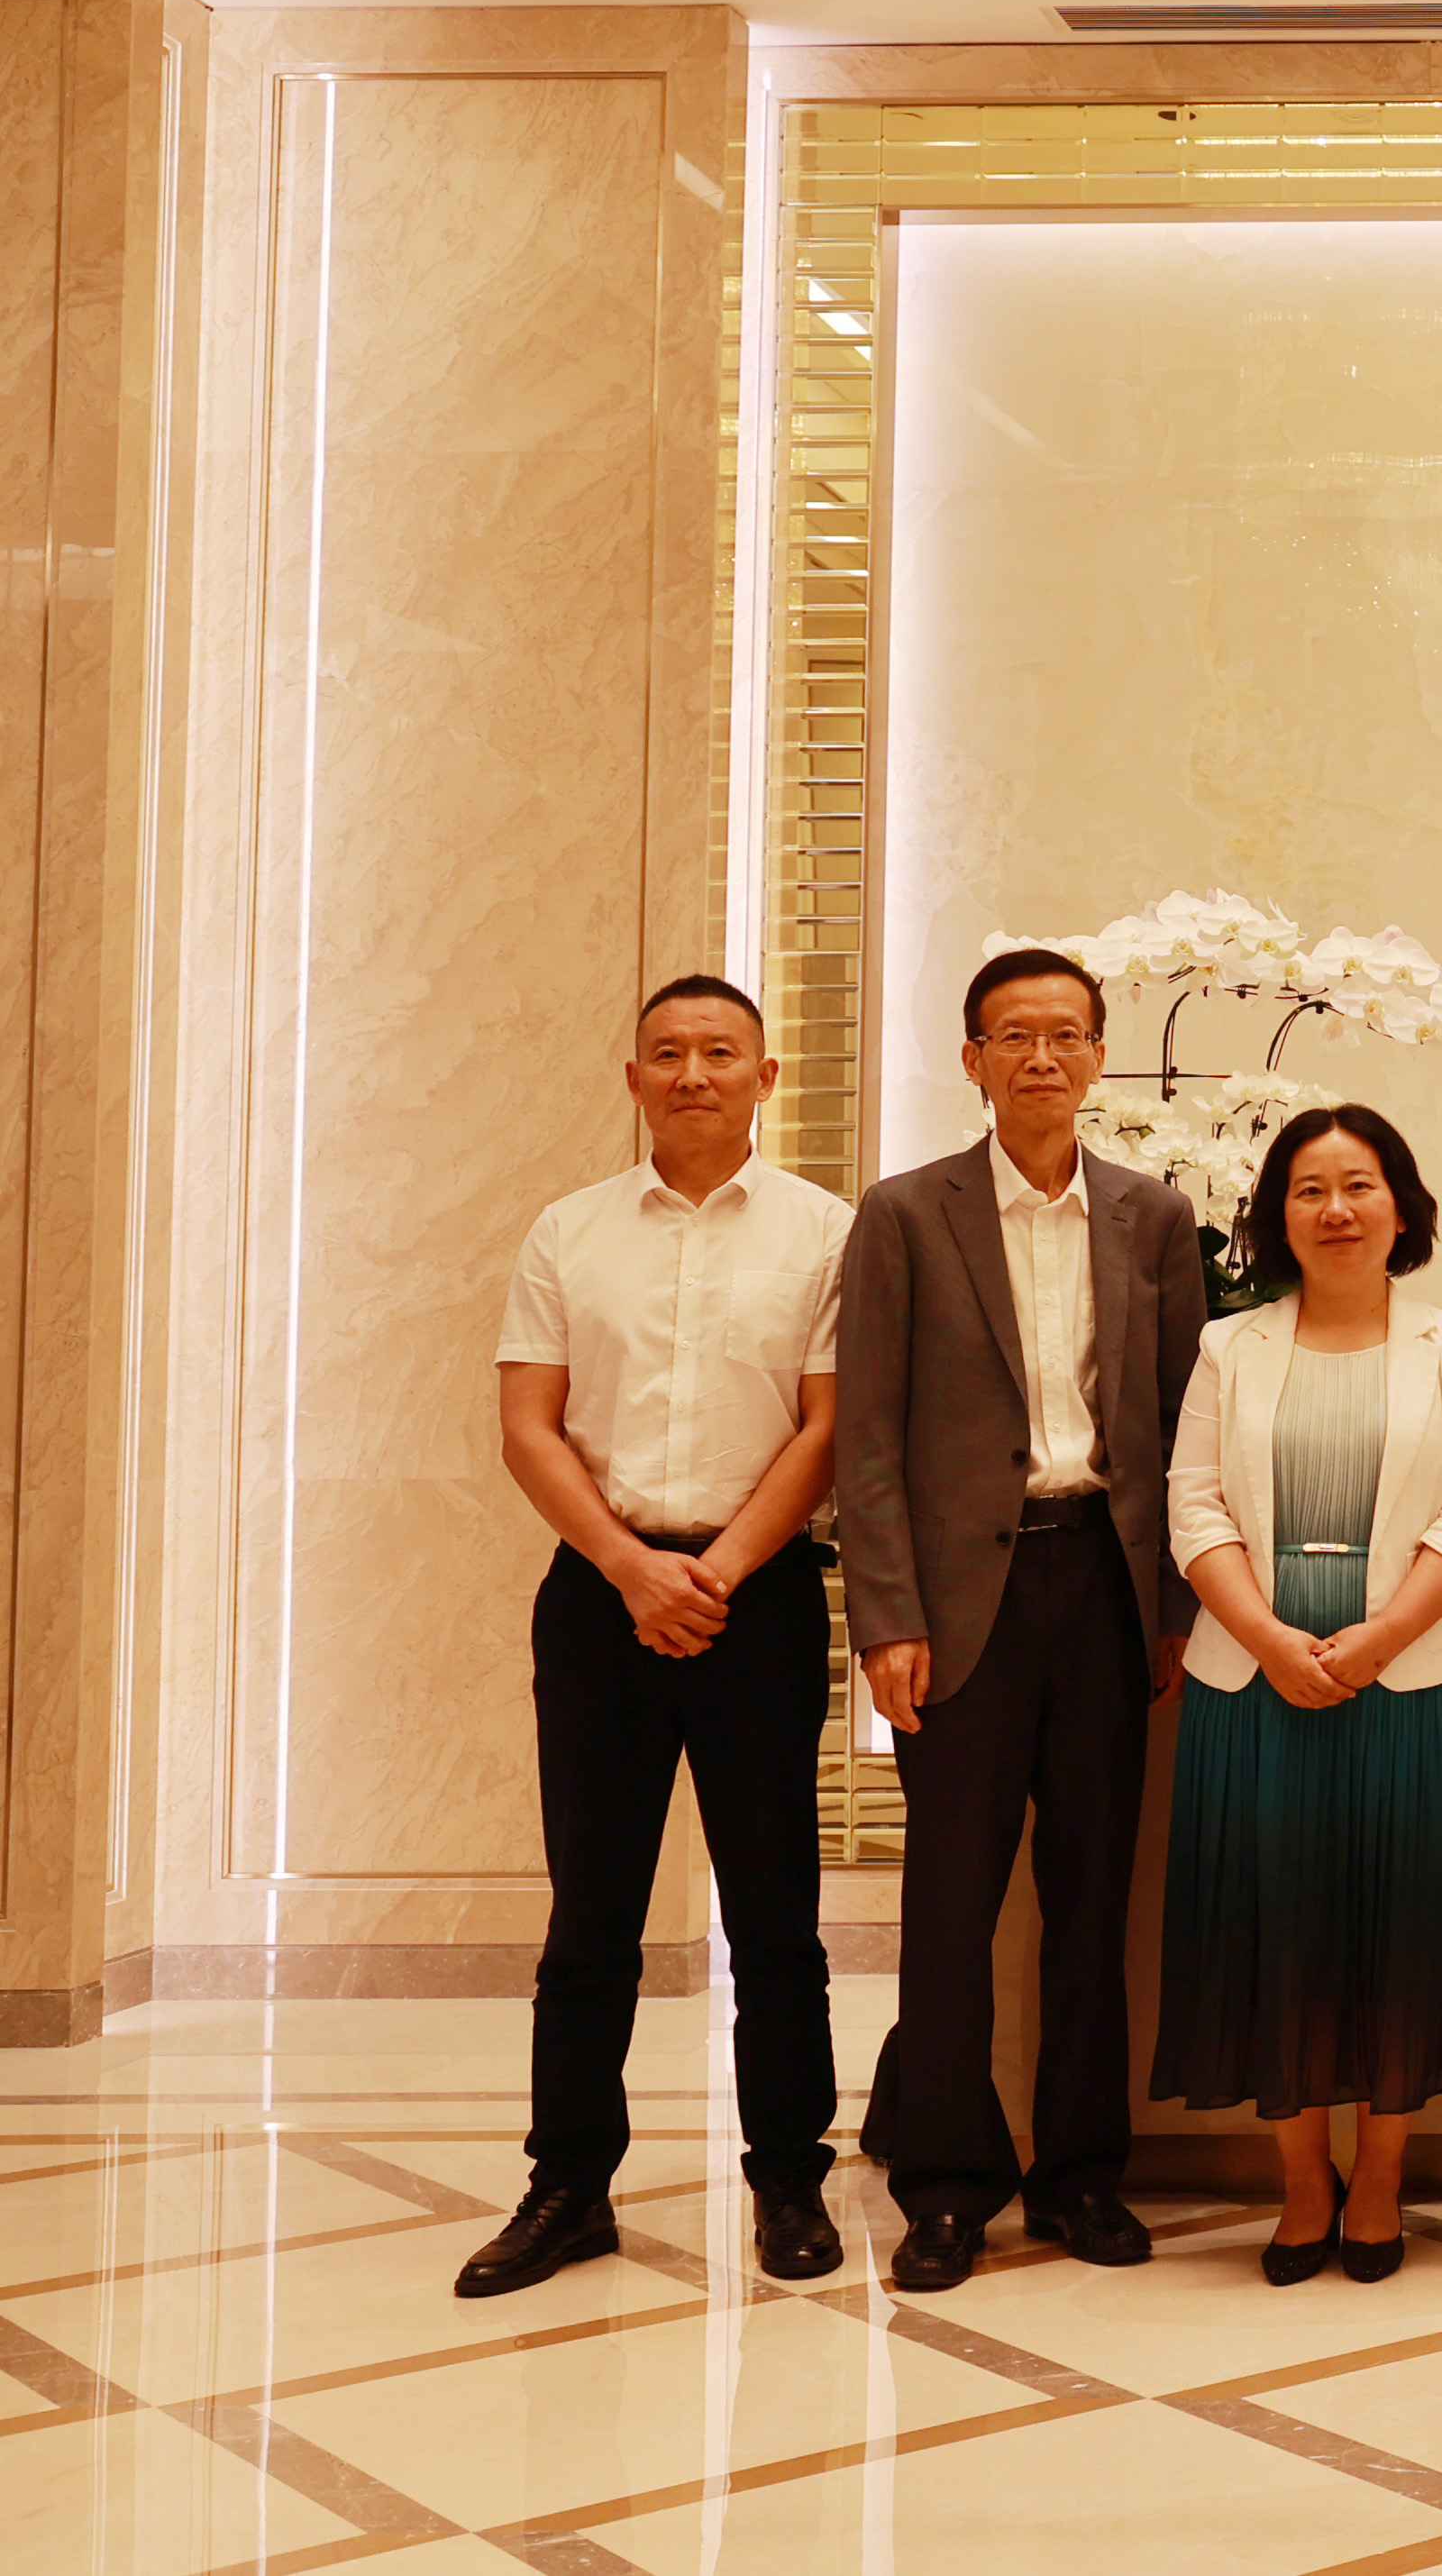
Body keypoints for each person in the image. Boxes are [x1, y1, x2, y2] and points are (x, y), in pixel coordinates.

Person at [465, 975, 853, 2298]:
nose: (695, 1073)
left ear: (765, 1076)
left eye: (720, 1052)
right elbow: (529, 1426)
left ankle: (789, 2177)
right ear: (633, 1079)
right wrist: (633, 1569)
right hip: (600, 1596)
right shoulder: (567, 1231)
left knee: (777, 1912)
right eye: (669, 1053)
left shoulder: (826, 1234)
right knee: (592, 1913)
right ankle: (567, 2185)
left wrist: (719, 1571)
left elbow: (829, 1425)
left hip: (762, 1598)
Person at [837, 945, 1209, 2294]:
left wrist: (1170, 1606)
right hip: (957, 1608)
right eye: (1014, 1035)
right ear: (973, 1060)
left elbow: (1180, 1422)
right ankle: (946, 2189)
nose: (1042, 1056)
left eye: (1065, 1034)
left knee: (1091, 1904)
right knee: (949, 1907)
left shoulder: (1153, 1216)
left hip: (1103, 1589)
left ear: (1099, 1056)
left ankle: (1083, 2176)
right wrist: (886, 1616)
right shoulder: (904, 1214)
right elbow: (867, 1434)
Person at [1160, 1105, 1442, 2285]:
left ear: (1401, 1207)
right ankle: (1301, 2179)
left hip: (1415, 1677)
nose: (1335, 1209)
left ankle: (1379, 2175)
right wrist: (1272, 1639)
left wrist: (1376, 1641)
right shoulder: (1229, 1346)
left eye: (1359, 1185)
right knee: (1276, 1924)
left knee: (1402, 1927)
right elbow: (1193, 1506)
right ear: (1277, 1216)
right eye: (1308, 1189)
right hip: (1252, 1674)